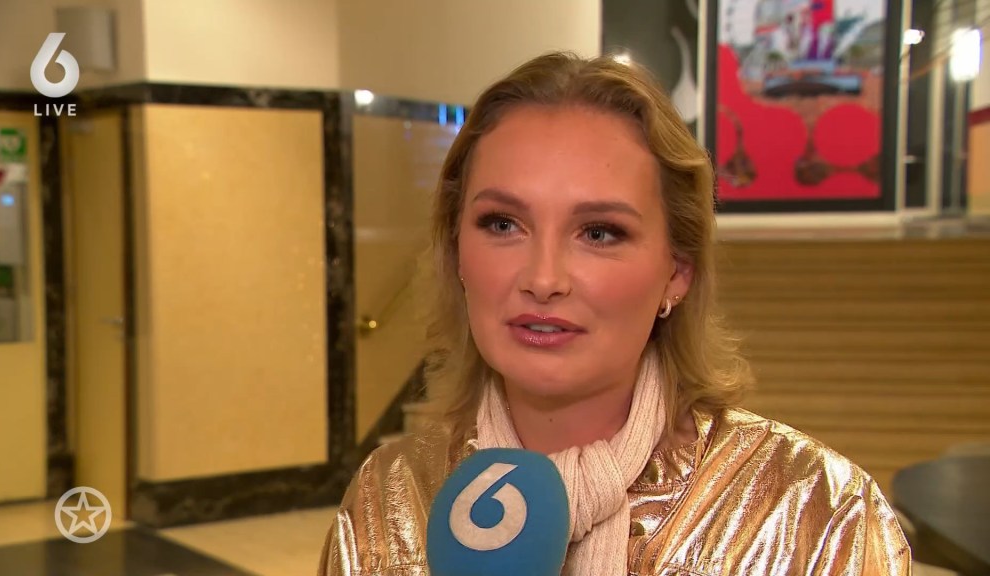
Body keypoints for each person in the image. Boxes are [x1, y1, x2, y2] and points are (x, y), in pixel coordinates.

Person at [318, 51, 910, 575]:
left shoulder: (816, 511)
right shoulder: (388, 495)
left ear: (677, 271)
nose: (543, 279)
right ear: (456, 253)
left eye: (599, 232)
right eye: (502, 224)